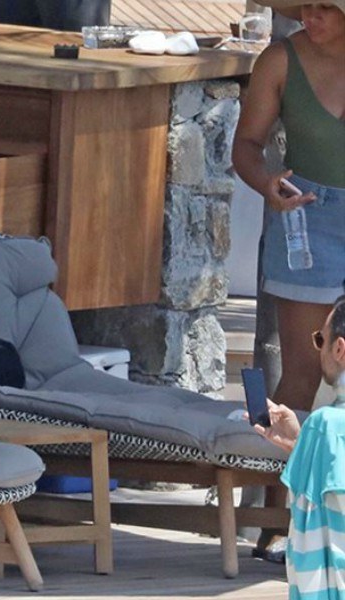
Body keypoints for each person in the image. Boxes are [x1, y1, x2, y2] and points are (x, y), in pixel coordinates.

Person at [232, 0, 345, 562]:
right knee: (303, 370)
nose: (309, 16)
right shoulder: (280, 59)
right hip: (306, 213)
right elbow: (245, 147)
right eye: (304, 6)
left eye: (325, 7)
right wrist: (266, 184)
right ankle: (279, 521)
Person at [255, 296, 345, 597]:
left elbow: (313, 542)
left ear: (339, 349)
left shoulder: (325, 426)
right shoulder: (322, 431)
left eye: (320, 339)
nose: (318, 349)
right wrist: (302, 444)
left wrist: (307, 443)